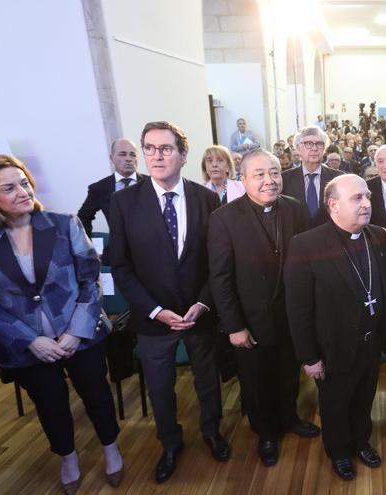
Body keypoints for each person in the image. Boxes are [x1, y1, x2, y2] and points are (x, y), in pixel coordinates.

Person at [0, 154, 122, 494]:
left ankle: (111, 448)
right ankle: (68, 457)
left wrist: (76, 331)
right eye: (9, 187)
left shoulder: (63, 224)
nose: (23, 191)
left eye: (25, 182)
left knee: (97, 394)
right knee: (50, 404)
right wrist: (30, 340)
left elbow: (90, 281)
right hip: (25, 345)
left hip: (81, 334)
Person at [108, 121, 228, 484]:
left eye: (165, 148)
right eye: (149, 148)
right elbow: (121, 267)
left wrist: (203, 303)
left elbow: (217, 262)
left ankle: (212, 431)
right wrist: (157, 311)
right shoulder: (123, 202)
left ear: (183, 155)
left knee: (208, 381)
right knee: (160, 388)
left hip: (198, 314)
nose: (156, 156)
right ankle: (170, 443)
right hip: (153, 319)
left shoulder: (206, 199)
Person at [207, 150, 319, 467]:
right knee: (256, 381)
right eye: (259, 174)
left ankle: (289, 417)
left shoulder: (295, 210)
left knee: (287, 372)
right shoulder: (224, 219)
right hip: (249, 321)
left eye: (275, 172)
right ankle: (266, 431)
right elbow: (221, 278)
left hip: (290, 316)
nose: (269, 180)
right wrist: (234, 326)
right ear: (242, 180)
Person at [285, 174, 386, 480]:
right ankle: (338, 450)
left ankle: (360, 441)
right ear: (333, 205)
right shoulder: (306, 244)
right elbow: (298, 308)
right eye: (357, 198)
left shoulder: (377, 237)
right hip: (331, 347)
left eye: (368, 197)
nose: (366, 203)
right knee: (335, 403)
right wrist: (309, 357)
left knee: (364, 397)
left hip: (370, 341)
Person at [77, 138, 146, 237]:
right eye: (122, 154)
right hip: (119, 249)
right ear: (112, 157)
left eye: (133, 155)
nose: (129, 159)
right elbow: (83, 218)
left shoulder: (152, 183)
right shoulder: (100, 188)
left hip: (152, 248)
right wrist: (89, 245)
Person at [282, 126, 344, 228]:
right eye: (308, 144)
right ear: (298, 148)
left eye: (319, 144)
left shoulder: (338, 178)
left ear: (324, 149)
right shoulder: (284, 179)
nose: (314, 148)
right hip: (296, 240)